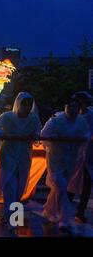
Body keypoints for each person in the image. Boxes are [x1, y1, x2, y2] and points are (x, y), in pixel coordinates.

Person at [41, 98, 89, 233]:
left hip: (70, 160)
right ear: (65, 107)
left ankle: (49, 211)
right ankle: (64, 219)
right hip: (55, 159)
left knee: (59, 188)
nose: (72, 109)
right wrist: (57, 140)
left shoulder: (81, 121)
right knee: (61, 186)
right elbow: (44, 135)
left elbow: (85, 136)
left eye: (75, 107)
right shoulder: (56, 121)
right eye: (69, 106)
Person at [0, 92, 41, 225]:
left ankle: (7, 215)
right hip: (8, 157)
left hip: (24, 159)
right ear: (18, 104)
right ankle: (13, 221)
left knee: (20, 189)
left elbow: (38, 133)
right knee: (10, 187)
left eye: (29, 105)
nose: (26, 107)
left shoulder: (34, 119)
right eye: (24, 104)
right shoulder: (7, 117)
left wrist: (33, 137)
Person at [67, 92, 93, 223]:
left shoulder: (90, 116)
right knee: (70, 183)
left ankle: (80, 211)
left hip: (87, 155)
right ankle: (64, 209)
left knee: (86, 184)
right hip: (73, 155)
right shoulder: (70, 117)